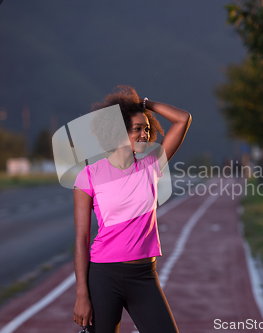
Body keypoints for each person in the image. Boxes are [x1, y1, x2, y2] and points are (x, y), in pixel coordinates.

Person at [72, 85, 192, 333]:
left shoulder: (152, 165)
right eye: (137, 129)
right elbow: (82, 239)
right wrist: (82, 295)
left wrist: (144, 105)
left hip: (144, 276)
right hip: (104, 277)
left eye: (147, 129)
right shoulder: (89, 176)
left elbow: (182, 119)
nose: (145, 135)